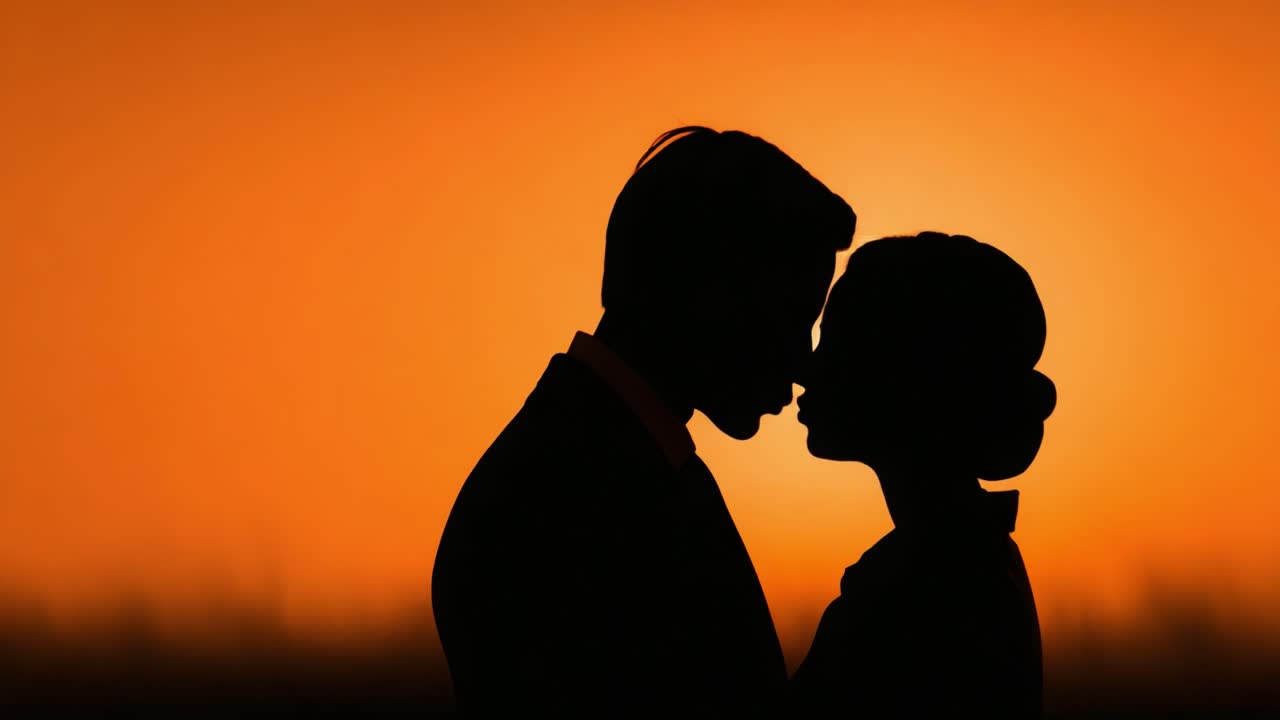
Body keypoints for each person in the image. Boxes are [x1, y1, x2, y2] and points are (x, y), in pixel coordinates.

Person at [432, 126, 856, 717]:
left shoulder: (582, 463)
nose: (802, 362)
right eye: (791, 318)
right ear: (710, 295)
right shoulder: (582, 494)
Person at [791, 232, 1056, 718]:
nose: (806, 368)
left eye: (836, 343)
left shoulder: (926, 595)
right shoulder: (962, 564)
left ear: (906, 377)